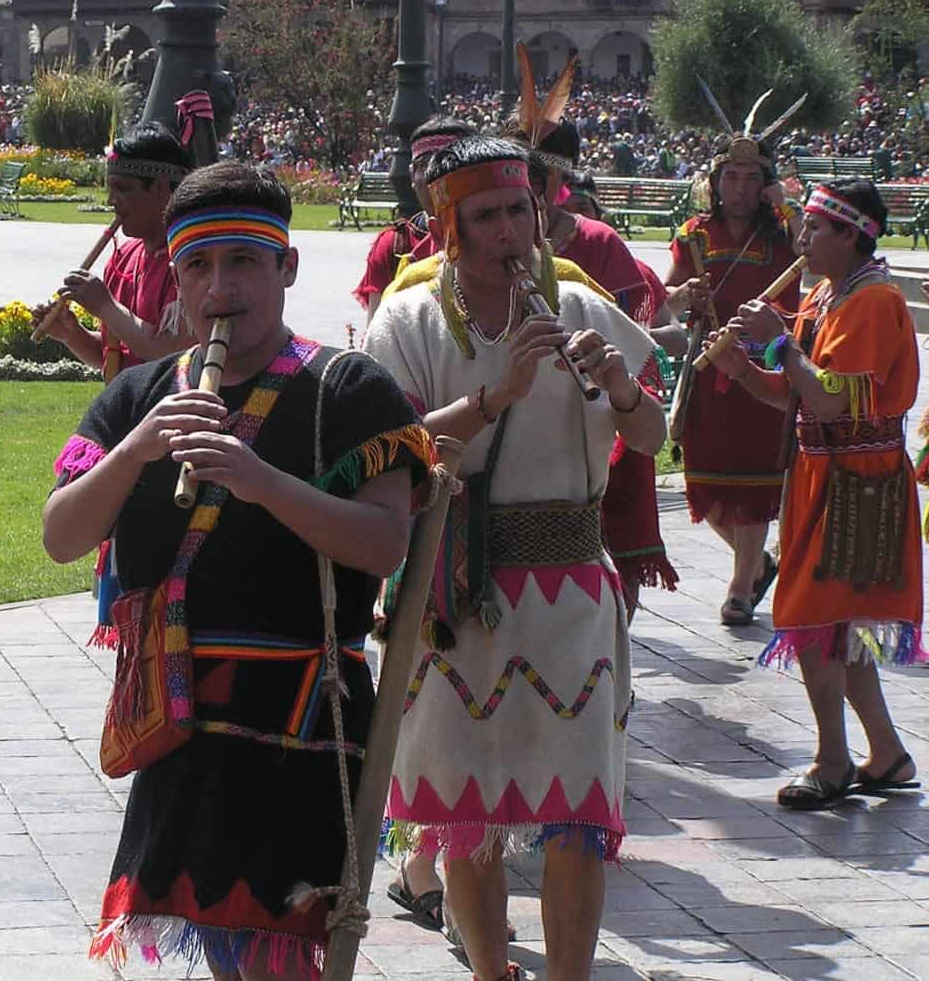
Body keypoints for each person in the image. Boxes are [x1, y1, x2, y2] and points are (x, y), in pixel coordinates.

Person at [44, 161, 433, 980]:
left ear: (286, 268)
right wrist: (137, 448)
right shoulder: (141, 395)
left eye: (244, 262)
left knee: (283, 964)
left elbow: (384, 545)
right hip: (176, 721)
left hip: (299, 722)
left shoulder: (348, 389)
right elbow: (62, 536)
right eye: (197, 266)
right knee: (229, 960)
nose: (220, 289)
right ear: (175, 276)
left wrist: (259, 481)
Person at [365, 136, 666, 981]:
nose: (508, 232)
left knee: (578, 806)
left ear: (540, 211)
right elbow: (393, 450)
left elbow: (651, 437)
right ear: (449, 225)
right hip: (458, 590)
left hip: (571, 587)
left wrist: (623, 391)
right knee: (469, 809)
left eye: (518, 211)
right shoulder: (410, 318)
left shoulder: (584, 306)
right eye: (486, 215)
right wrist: (498, 396)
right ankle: (491, 972)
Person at [711, 179, 922, 809]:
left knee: (812, 618)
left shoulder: (874, 302)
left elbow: (829, 398)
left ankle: (833, 760)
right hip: (824, 473)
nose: (802, 239)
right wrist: (743, 368)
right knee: (835, 625)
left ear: (852, 234)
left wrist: (779, 341)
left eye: (815, 228)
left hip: (858, 482)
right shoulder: (830, 294)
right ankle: (885, 754)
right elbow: (794, 393)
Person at [518, 118, 677, 609]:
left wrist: (614, 381)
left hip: (600, 421)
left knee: (611, 551)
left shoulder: (597, 247)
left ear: (546, 186)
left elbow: (635, 346)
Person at [667, 129, 803, 626]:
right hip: (708, 368)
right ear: (715, 182)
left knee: (756, 484)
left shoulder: (782, 232)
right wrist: (688, 297)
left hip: (765, 366)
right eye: (731, 177)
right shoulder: (694, 234)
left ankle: (741, 587)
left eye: (751, 179)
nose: (740, 189)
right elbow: (667, 296)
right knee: (708, 483)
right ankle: (758, 563)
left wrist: (785, 204)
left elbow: (811, 247)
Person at [33, 121, 196, 378]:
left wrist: (105, 305)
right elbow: (113, 357)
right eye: (109, 189)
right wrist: (72, 334)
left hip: (170, 413)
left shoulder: (193, 262)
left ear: (160, 188)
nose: (111, 201)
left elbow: (169, 353)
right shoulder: (124, 257)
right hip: (126, 414)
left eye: (122, 188)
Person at [351, 117, 475, 324]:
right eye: (426, 165)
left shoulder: (496, 237)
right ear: (411, 175)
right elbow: (376, 333)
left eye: (451, 165)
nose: (438, 176)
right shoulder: (393, 245)